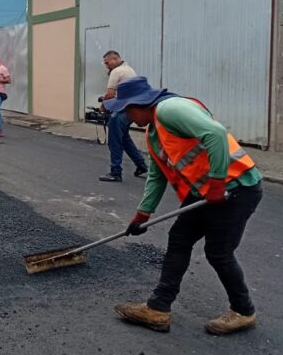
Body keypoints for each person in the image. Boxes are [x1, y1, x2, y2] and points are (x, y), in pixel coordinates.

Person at [104, 76, 263, 335]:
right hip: (206, 192)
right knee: (179, 238)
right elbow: (157, 175)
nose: (128, 117)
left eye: (127, 110)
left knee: (218, 252)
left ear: (139, 103)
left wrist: (216, 183)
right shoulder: (154, 131)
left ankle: (244, 311)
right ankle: (158, 309)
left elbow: (216, 134)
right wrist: (142, 215)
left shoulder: (170, 109)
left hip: (236, 188)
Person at [99, 50, 148, 182]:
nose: (106, 66)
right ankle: (141, 164)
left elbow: (110, 94)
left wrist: (103, 106)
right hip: (131, 108)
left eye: (107, 63)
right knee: (124, 138)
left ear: (115, 59)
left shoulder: (117, 71)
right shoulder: (129, 69)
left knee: (114, 141)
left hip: (123, 109)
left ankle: (115, 172)